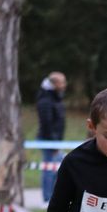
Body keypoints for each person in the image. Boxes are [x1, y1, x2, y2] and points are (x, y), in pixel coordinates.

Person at [36, 71, 67, 203]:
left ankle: (53, 196)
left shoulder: (55, 97)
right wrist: (53, 143)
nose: (65, 85)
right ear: (54, 83)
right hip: (48, 141)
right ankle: (47, 199)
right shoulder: (45, 100)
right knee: (49, 169)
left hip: (55, 141)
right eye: (62, 82)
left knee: (58, 166)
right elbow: (46, 124)